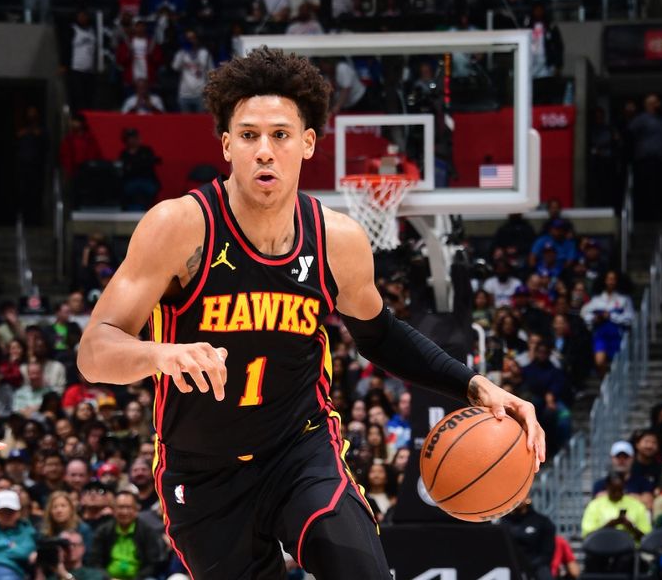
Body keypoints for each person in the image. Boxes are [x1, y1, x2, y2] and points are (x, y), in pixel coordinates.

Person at [77, 46, 545, 579]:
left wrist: (475, 385)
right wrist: (160, 354)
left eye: (280, 134)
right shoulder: (180, 226)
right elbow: (95, 352)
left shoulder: (337, 239)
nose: (264, 151)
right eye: (249, 135)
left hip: (301, 453)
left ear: (308, 143)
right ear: (227, 146)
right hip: (201, 471)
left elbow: (380, 336)